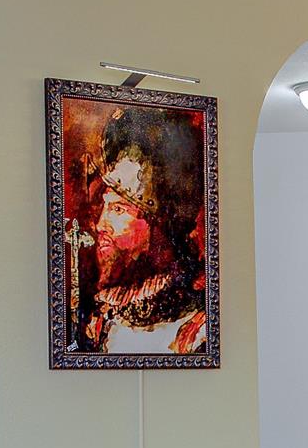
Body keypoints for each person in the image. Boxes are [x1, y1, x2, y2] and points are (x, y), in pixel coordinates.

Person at [71, 135, 207, 354]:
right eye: (104, 207)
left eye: (117, 209)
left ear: (156, 228)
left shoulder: (197, 330)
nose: (100, 225)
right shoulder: (98, 322)